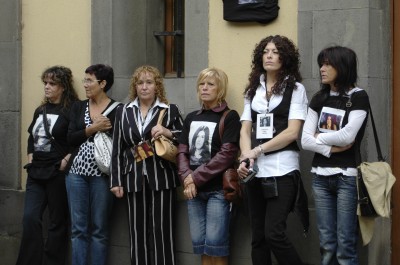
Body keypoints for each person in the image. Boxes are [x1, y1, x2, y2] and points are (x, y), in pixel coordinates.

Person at [237, 35, 309, 265]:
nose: (269, 55)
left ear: (285, 58)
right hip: (256, 172)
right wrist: (245, 160)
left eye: (276, 51)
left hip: (283, 169)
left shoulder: (296, 89)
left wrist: (256, 151)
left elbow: (291, 133)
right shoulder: (252, 90)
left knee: (274, 234)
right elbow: (245, 130)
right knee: (258, 238)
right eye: (266, 51)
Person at [301, 46, 369, 265]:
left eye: (328, 64)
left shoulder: (358, 97)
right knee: (327, 244)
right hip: (320, 177)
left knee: (345, 245)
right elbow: (304, 140)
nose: (322, 68)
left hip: (346, 177)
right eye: (322, 63)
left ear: (343, 66)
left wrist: (318, 137)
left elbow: (348, 136)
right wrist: (330, 147)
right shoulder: (319, 98)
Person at [110, 65, 183, 265]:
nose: (144, 87)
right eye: (140, 83)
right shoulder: (123, 111)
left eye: (149, 82)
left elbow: (183, 140)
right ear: (135, 86)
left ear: (157, 86)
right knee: (137, 232)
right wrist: (116, 181)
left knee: (163, 231)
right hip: (132, 178)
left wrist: (167, 132)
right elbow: (117, 148)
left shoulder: (169, 110)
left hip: (163, 178)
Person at [177, 67, 241, 265]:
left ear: (220, 89)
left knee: (216, 245)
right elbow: (182, 151)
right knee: (201, 245)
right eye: (201, 84)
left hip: (218, 191)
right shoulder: (191, 117)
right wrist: (187, 178)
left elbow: (227, 155)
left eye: (210, 84)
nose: (204, 88)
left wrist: (194, 178)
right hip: (193, 192)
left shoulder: (230, 117)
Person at [16, 66, 79, 265]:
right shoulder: (40, 110)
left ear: (63, 87)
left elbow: (77, 140)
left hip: (57, 172)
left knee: (57, 222)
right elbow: (31, 137)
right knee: (30, 218)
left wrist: (66, 160)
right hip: (36, 172)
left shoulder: (72, 110)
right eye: (45, 83)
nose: (47, 87)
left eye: (52, 83)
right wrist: (30, 156)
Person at [66, 64, 120, 265]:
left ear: (103, 83)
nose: (85, 84)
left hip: (103, 175)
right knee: (78, 229)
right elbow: (70, 138)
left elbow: (120, 143)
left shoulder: (118, 109)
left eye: (89, 80)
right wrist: (93, 128)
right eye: (85, 80)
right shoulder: (78, 107)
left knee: (99, 229)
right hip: (76, 174)